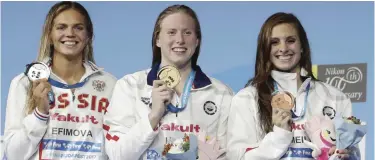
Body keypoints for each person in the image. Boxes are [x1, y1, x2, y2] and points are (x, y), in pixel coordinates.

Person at [103, 4, 233, 160]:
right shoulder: (130, 86)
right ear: (157, 39)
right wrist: (153, 116)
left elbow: (228, 155)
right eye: (171, 32)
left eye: (187, 33)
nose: (180, 40)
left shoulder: (221, 93)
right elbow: (118, 154)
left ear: (197, 40)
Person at [226, 12, 360, 160]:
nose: (283, 48)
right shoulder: (247, 99)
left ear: (302, 46)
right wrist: (280, 136)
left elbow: (352, 152)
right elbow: (237, 157)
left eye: (290, 40)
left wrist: (347, 156)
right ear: (265, 49)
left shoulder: (335, 97)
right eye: (274, 42)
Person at [3, 1, 117, 160]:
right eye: (61, 27)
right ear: (49, 35)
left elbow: (118, 148)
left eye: (78, 27)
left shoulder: (111, 85)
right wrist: (40, 114)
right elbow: (13, 154)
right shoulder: (24, 83)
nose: (70, 33)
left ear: (88, 36)